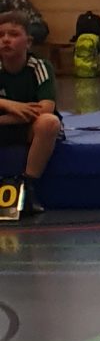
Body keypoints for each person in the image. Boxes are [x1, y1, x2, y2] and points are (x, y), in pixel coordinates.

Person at [0, 12, 60, 213]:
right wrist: (10, 104)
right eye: (1, 35)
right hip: (8, 127)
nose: (6, 40)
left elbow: (45, 108)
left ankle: (28, 186)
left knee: (49, 122)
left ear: (28, 42)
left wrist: (6, 117)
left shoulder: (39, 67)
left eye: (13, 34)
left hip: (29, 129)